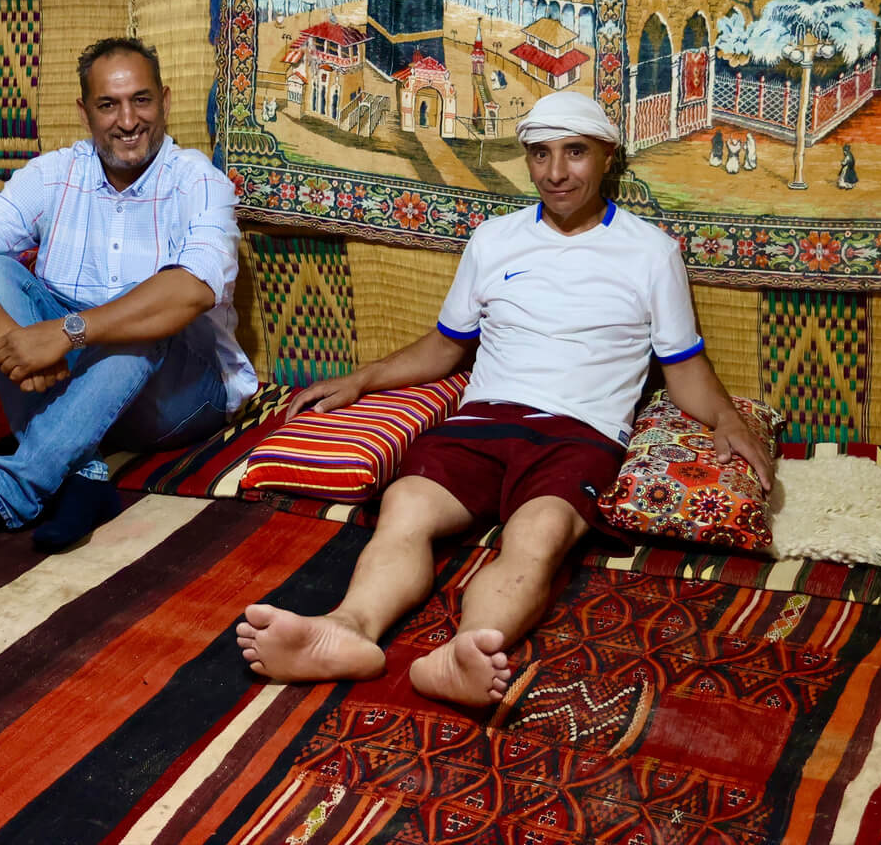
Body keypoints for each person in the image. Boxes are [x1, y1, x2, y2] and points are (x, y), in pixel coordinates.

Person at [235, 91, 772, 708]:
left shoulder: (651, 252)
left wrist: (729, 420)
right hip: (483, 420)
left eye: (574, 153)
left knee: (537, 535)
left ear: (606, 157)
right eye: (541, 155)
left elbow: (683, 366)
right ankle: (349, 627)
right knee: (405, 507)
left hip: (580, 433)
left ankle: (465, 650)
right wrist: (362, 379)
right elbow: (445, 347)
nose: (555, 172)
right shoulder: (494, 240)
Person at [0, 37, 256, 553]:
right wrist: (11, 340)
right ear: (85, 113)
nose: (128, 121)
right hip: (65, 380)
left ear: (165, 102)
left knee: (146, 306)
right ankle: (87, 474)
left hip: (176, 397)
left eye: (141, 100)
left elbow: (190, 290)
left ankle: (10, 494)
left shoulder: (199, 182)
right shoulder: (55, 173)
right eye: (109, 105)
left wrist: (65, 333)